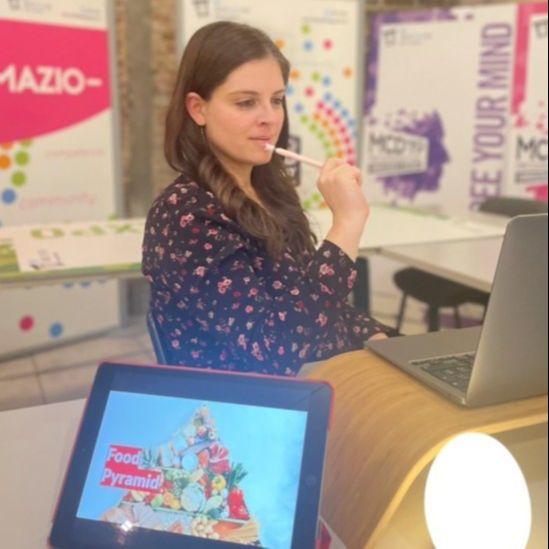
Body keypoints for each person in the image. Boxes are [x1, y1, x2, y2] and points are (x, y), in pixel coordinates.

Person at [142, 21, 395, 376]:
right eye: (246, 103)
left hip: (319, 373)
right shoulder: (185, 214)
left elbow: (314, 300)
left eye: (276, 100)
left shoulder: (269, 191)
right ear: (198, 109)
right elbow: (274, 350)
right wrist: (347, 223)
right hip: (249, 398)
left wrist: (376, 338)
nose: (270, 119)